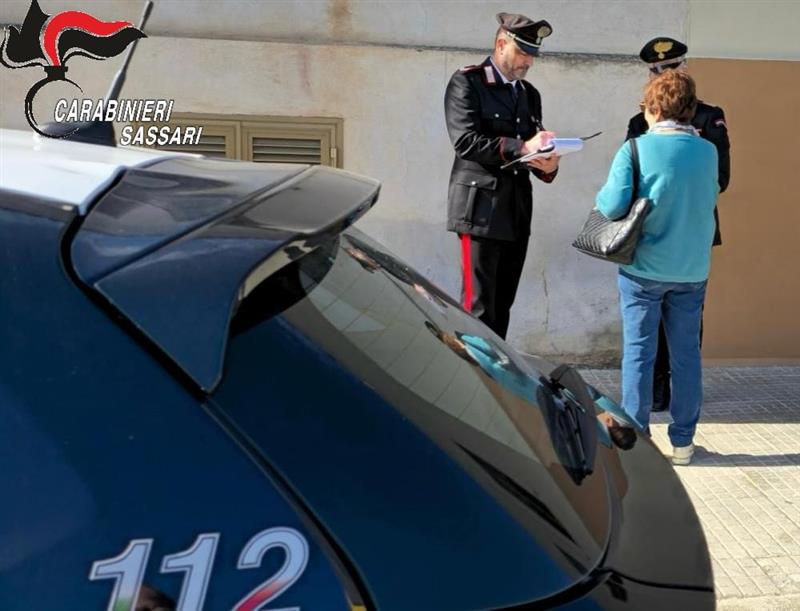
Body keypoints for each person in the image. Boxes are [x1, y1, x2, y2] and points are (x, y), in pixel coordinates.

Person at [597, 70, 719, 465]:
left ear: (653, 107)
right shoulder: (708, 151)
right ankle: (683, 443)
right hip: (692, 269)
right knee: (686, 355)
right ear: (689, 109)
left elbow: (611, 206)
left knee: (639, 353)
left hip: (644, 268)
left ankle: (640, 444)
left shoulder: (635, 148)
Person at [626, 37, 731, 413]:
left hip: (690, 229)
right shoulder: (640, 121)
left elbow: (721, 177)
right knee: (648, 325)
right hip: (651, 232)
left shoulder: (708, 116)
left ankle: (681, 391)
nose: (664, 75)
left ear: (684, 68)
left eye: (671, 67)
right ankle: (656, 389)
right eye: (656, 70)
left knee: (686, 325)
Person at [444, 12, 559, 339]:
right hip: (479, 211)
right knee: (477, 308)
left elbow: (531, 149)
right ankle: (472, 383)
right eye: (522, 52)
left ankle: (495, 381)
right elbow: (466, 142)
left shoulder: (528, 94)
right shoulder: (467, 82)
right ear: (500, 44)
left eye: (532, 55)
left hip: (516, 212)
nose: (528, 62)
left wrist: (548, 165)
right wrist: (523, 148)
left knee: (502, 306)